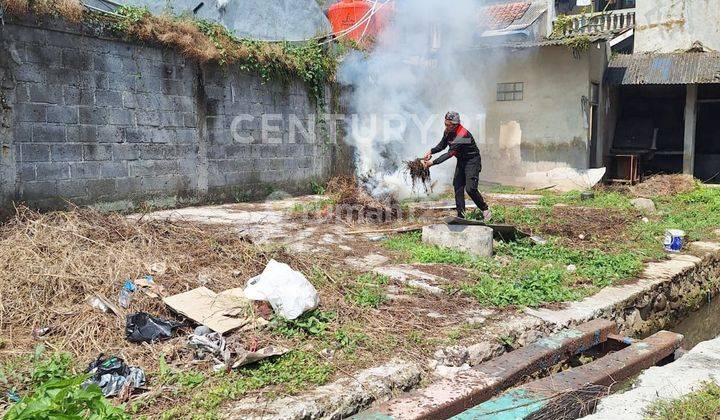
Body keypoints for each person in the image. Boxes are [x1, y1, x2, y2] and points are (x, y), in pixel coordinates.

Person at [422, 111, 491, 220]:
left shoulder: (462, 135)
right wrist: (431, 151)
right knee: (458, 186)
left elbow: (450, 153)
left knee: (470, 189)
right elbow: (442, 146)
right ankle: (461, 216)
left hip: (472, 161)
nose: (446, 127)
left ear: (456, 124)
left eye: (449, 125)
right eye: (445, 124)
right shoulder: (448, 131)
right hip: (461, 160)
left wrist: (432, 163)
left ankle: (485, 209)